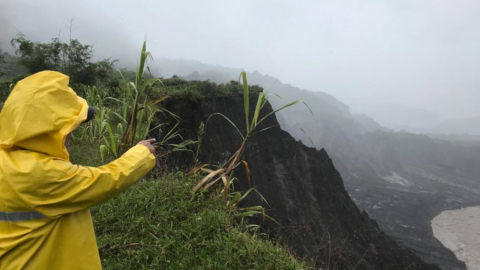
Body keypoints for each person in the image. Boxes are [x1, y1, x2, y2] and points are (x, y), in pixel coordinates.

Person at [0, 71, 157, 269]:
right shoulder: (41, 174)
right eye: (68, 127)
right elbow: (104, 181)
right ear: (47, 130)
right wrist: (141, 154)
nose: (71, 134)